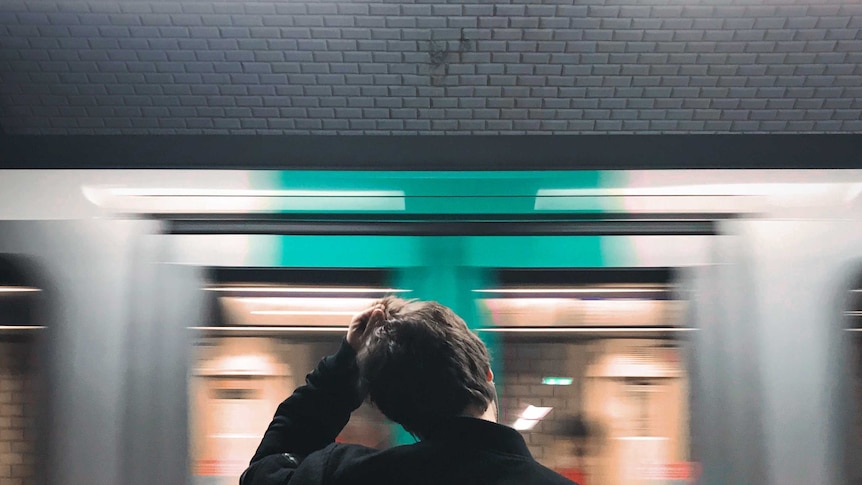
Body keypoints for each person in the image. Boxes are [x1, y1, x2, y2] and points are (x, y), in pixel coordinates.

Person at [240, 297, 578, 485]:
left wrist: (344, 364)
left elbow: (264, 469)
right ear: (488, 375)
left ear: (392, 411)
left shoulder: (345, 475)